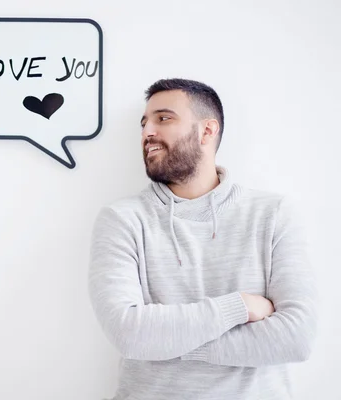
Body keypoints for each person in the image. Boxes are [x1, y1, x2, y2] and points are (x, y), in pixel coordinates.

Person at [88, 78, 317, 399]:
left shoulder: (273, 213)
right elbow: (129, 334)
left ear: (207, 131)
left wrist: (168, 344)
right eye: (144, 123)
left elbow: (296, 338)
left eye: (163, 118)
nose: (147, 132)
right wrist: (240, 307)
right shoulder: (122, 219)